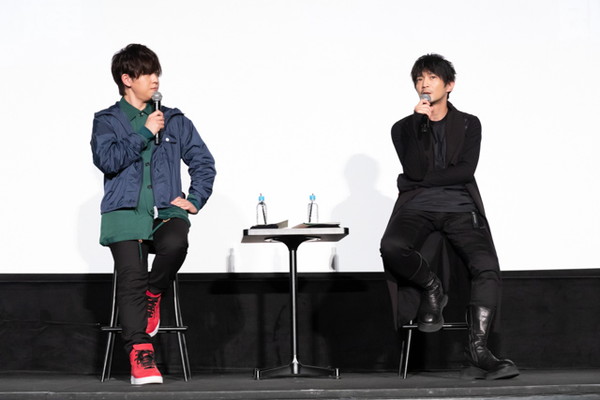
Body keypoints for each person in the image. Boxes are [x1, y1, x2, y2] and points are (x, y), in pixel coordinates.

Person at [379, 54, 518, 380]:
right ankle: (432, 289)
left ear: (449, 85)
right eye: (419, 79)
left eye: (432, 78)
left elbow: (464, 172)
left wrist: (422, 179)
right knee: (391, 246)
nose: (424, 84)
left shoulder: (469, 124)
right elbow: (414, 169)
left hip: (460, 208)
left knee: (486, 267)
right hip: (417, 206)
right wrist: (418, 126)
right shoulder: (402, 128)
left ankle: (478, 351)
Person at [91, 44, 216, 385]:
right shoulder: (107, 121)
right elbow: (108, 161)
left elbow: (203, 162)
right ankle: (140, 352)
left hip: (165, 210)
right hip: (124, 212)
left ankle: (154, 294)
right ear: (127, 79)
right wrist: (144, 132)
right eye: (146, 73)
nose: (155, 79)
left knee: (176, 243)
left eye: (156, 72)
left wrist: (195, 198)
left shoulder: (174, 120)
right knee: (131, 276)